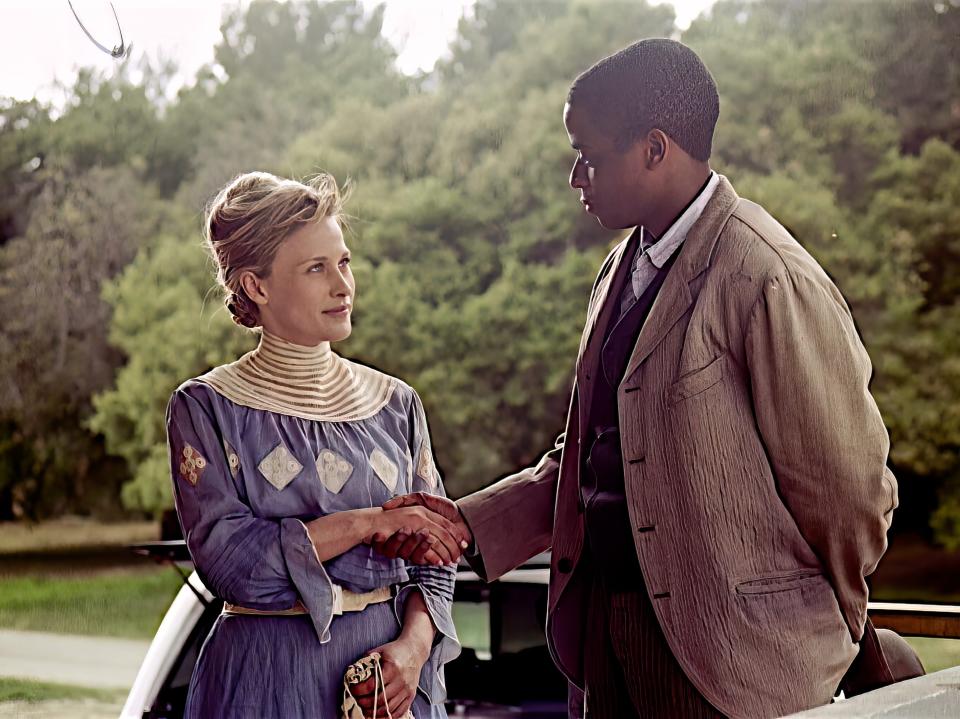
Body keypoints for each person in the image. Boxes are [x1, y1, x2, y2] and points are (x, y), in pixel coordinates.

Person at [377, 39, 898, 718]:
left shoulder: (767, 274)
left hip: (738, 673)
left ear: (656, 150)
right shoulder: (620, 268)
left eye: (588, 157)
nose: (575, 179)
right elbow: (598, 457)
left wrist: (809, 624)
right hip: (608, 654)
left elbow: (849, 489)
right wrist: (466, 524)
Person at [165, 171, 467, 718]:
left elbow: (438, 556)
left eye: (344, 262)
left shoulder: (396, 403)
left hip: (391, 692)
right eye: (316, 268)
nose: (342, 285)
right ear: (256, 286)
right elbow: (232, 563)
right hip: (264, 686)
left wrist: (413, 652)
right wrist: (369, 523)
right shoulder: (207, 407)